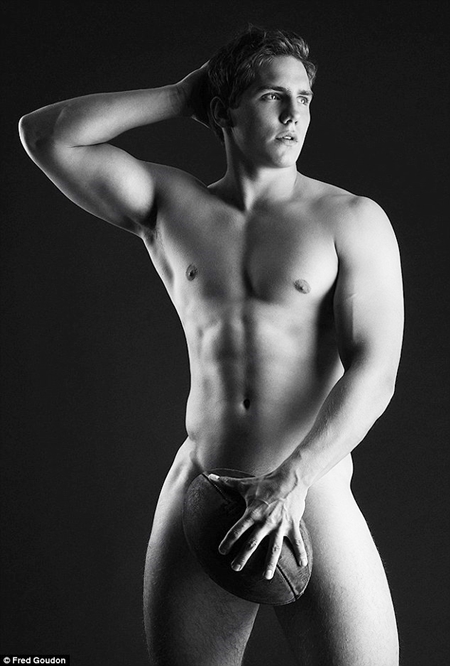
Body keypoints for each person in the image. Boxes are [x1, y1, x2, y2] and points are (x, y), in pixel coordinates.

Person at [19, 25, 403, 666]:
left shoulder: (351, 219)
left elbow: (376, 370)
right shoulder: (172, 207)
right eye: (272, 96)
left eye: (304, 98)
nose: (294, 114)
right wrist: (179, 95)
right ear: (223, 110)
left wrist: (293, 480)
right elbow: (46, 135)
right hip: (205, 486)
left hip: (310, 488)